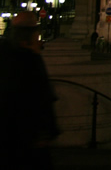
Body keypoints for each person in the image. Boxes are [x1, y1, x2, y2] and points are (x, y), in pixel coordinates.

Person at [0, 12, 60, 170]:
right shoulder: (29, 58)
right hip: (28, 135)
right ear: (31, 33)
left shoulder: (7, 53)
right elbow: (40, 94)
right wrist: (46, 130)